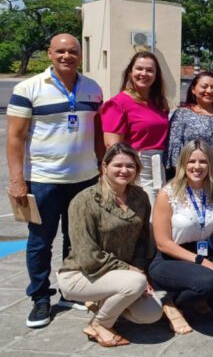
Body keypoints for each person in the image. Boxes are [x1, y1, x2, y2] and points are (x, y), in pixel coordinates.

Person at [7, 34, 104, 328]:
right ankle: (39, 298)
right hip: (44, 180)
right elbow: (15, 138)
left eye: (72, 51)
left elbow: (98, 134)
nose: (67, 56)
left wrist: (103, 172)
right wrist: (16, 181)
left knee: (76, 240)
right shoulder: (29, 88)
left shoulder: (93, 89)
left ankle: (70, 291)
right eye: (60, 51)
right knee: (40, 242)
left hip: (85, 179)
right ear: (50, 53)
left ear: (81, 56)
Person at [56, 144, 162, 347]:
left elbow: (141, 242)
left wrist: (140, 271)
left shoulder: (140, 197)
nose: (124, 170)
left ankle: (104, 301)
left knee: (151, 314)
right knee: (135, 284)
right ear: (104, 166)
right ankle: (100, 324)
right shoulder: (84, 201)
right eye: (118, 165)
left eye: (130, 166)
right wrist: (132, 273)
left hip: (123, 276)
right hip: (81, 274)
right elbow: (88, 255)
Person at [150, 141, 213, 335]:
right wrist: (204, 262)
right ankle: (170, 302)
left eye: (203, 162)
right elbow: (163, 243)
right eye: (191, 161)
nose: (197, 167)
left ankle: (194, 297)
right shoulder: (168, 194)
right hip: (169, 258)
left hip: (203, 250)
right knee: (208, 282)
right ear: (182, 164)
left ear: (211, 165)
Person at [100, 51, 170, 206]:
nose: (144, 73)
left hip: (159, 166)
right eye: (139, 69)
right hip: (136, 168)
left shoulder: (158, 103)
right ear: (130, 72)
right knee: (144, 218)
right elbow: (113, 146)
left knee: (159, 217)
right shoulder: (118, 104)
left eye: (150, 70)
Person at [165, 71, 213, 187]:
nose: (209, 91)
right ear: (193, 89)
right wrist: (183, 179)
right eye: (204, 86)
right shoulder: (181, 114)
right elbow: (174, 149)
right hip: (188, 178)